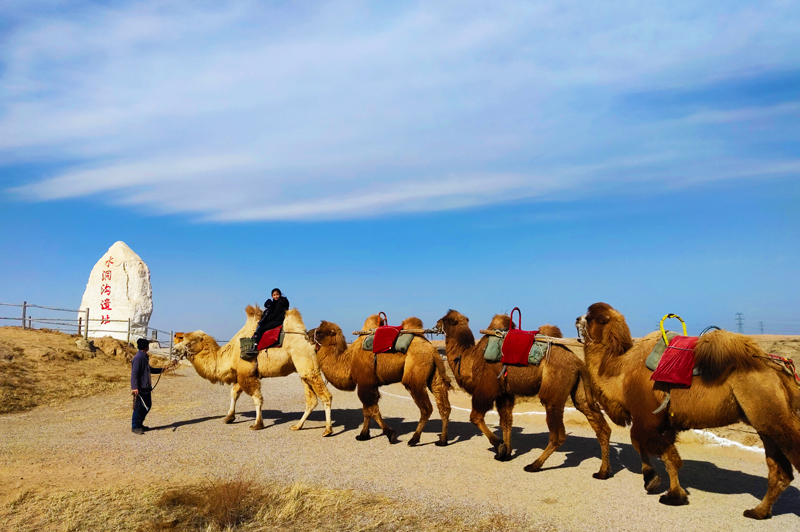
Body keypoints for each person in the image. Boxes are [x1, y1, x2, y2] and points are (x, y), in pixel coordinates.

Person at [131, 338, 176, 434]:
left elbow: (149, 369)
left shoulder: (144, 357)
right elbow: (134, 374)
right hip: (140, 388)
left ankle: (140, 424)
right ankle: (135, 426)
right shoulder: (138, 358)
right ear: (145, 346)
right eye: (147, 345)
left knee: (147, 406)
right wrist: (135, 387)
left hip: (146, 387)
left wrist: (161, 370)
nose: (148, 346)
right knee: (139, 408)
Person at [247, 288, 289, 376]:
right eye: (274, 295)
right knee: (261, 326)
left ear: (280, 295)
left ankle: (254, 346)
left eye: (277, 295)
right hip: (276, 319)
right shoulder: (275, 302)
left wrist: (264, 321)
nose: (276, 296)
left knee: (262, 328)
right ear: (272, 296)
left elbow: (275, 314)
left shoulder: (281, 302)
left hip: (278, 320)